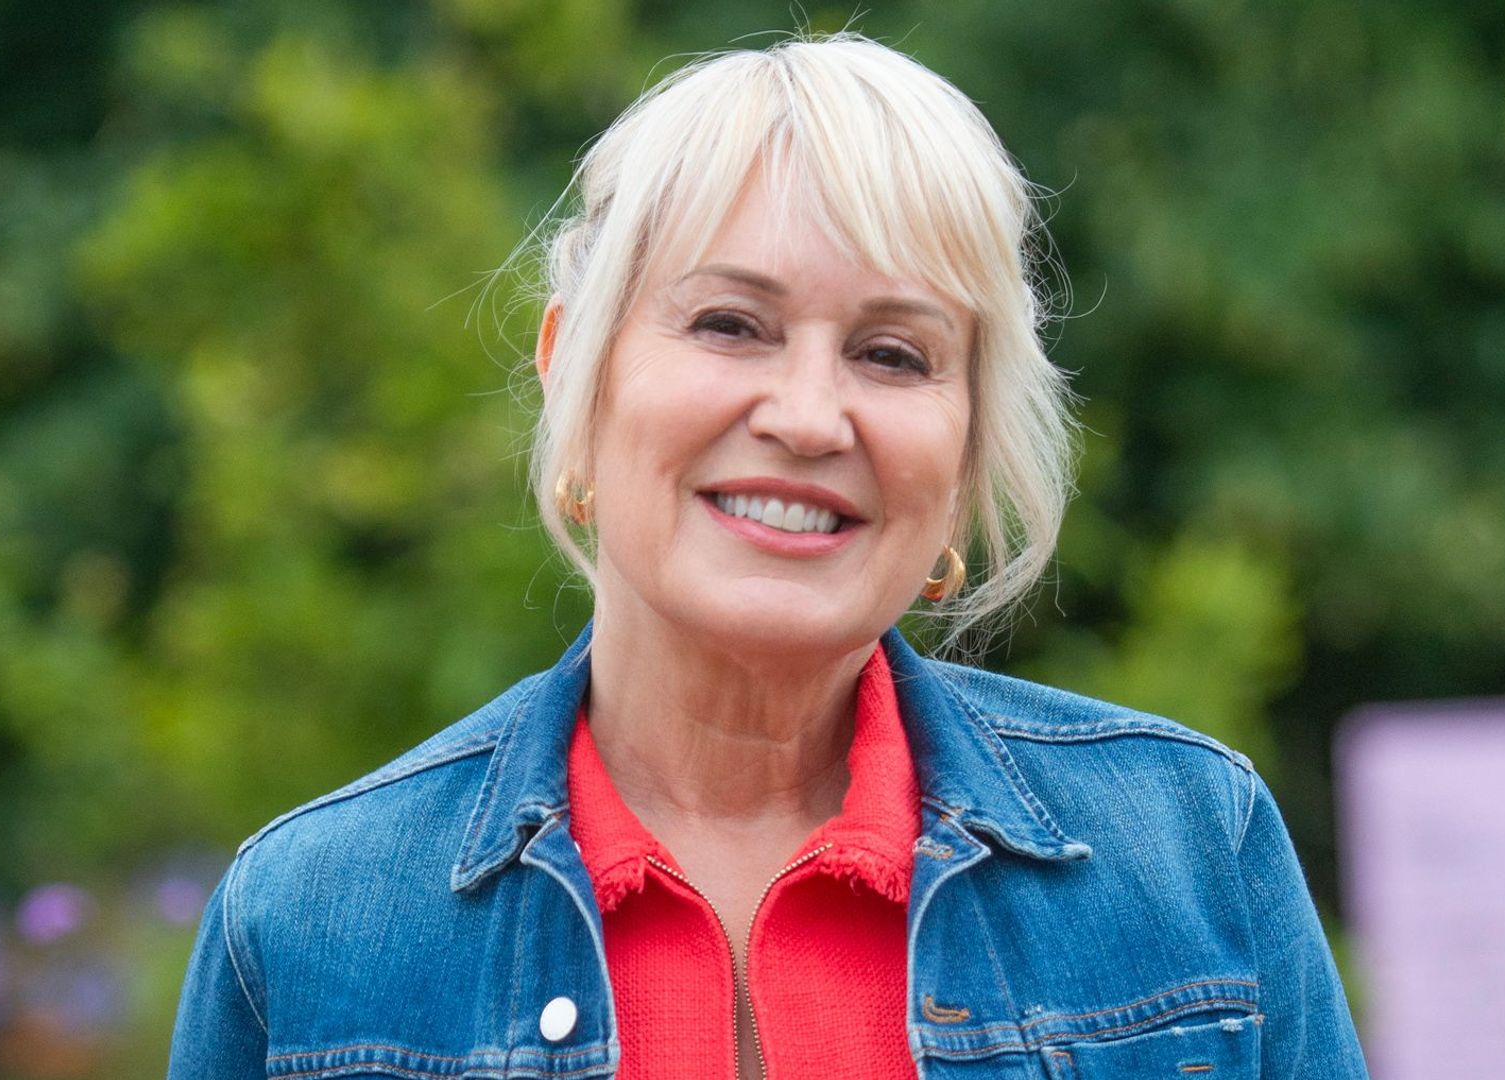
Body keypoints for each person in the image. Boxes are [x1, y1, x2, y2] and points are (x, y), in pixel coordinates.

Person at [167, 33, 1368, 1080]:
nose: (807, 416)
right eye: (730, 325)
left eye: (894, 354)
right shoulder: (312, 923)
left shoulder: (1191, 850)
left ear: (963, 454)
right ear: (573, 375)